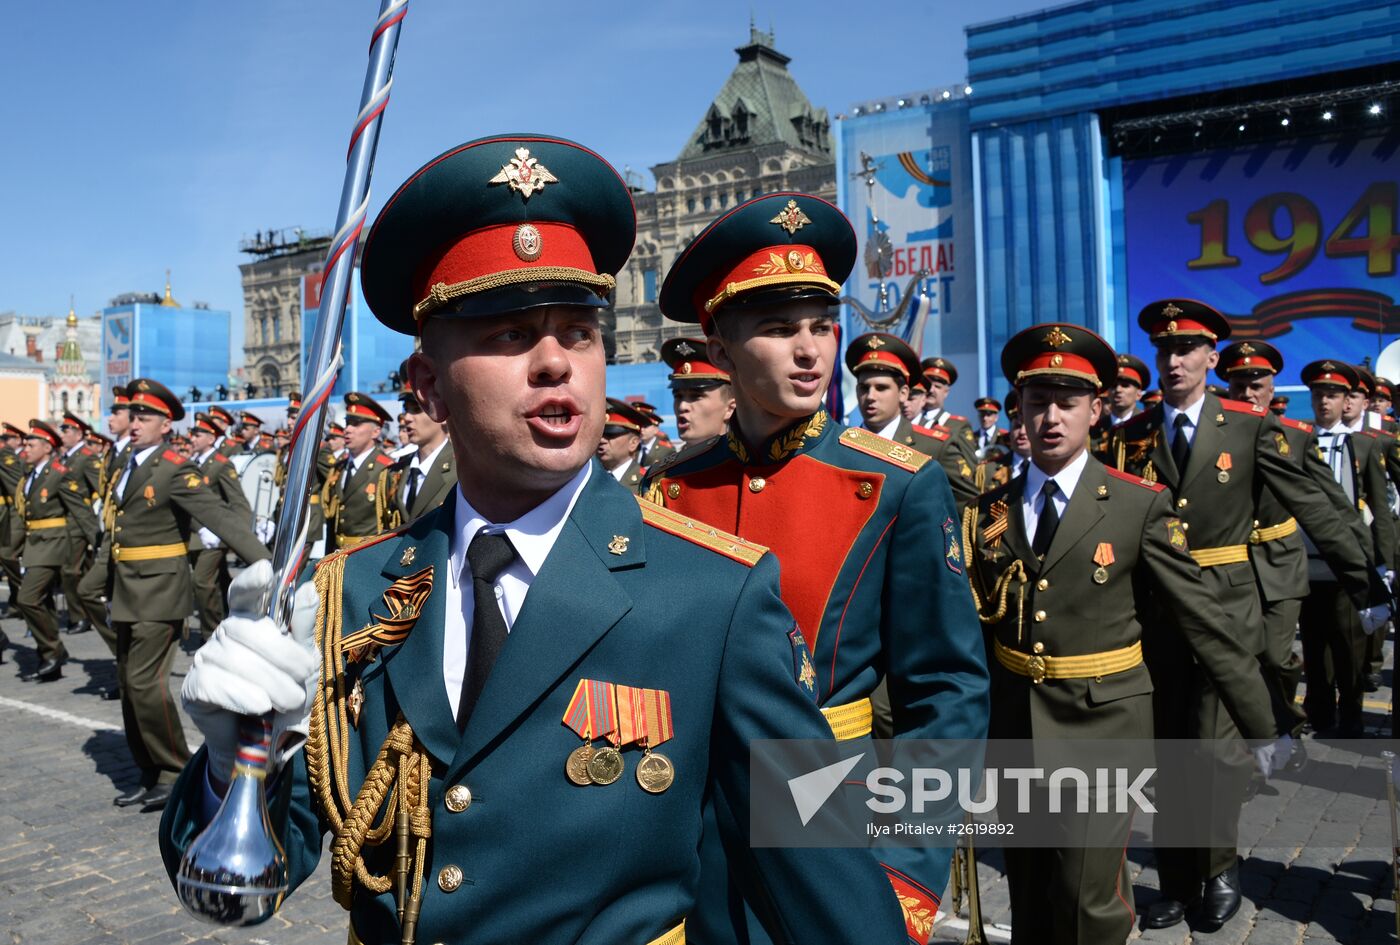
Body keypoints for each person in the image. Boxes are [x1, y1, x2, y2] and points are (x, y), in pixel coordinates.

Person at [161, 132, 909, 945]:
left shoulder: (717, 594)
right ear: (429, 387)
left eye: (579, 331)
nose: (557, 362)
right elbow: (240, 887)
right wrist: (241, 761)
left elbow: (829, 878)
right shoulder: (356, 595)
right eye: (510, 333)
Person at [644, 190, 989, 945]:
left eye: (821, 326)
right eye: (777, 329)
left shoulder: (896, 484)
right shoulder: (670, 488)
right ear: (721, 348)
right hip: (690, 834)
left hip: (835, 826)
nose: (810, 351)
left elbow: (949, 692)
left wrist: (906, 870)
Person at [966, 322, 1286, 945]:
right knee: (1031, 892)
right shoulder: (989, 511)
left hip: (1102, 729)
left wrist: (1259, 720)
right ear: (1020, 411)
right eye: (1037, 402)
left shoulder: (1138, 503)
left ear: (1095, 408)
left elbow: (1204, 619)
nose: (1051, 418)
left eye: (1067, 402)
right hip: (1016, 728)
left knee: (1089, 902)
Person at [1109, 300, 1390, 931]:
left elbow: (1315, 507)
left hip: (1228, 607)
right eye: (1164, 351)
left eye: (1186, 351)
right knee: (1171, 748)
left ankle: (1219, 868)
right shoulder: (1132, 435)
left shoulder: (1247, 427)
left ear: (1212, 359)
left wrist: (1367, 585)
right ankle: (1179, 879)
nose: (1173, 361)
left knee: (1214, 751)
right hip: (1157, 616)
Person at [107, 379, 270, 812]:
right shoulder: (128, 460)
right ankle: (150, 770)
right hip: (127, 586)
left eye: (146, 418)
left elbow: (220, 517)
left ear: (165, 425)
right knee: (128, 682)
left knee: (145, 683)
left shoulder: (174, 467)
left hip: (160, 587)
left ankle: (175, 767)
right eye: (133, 415)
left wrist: (265, 563)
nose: (136, 423)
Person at [1217, 340, 1362, 760]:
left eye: (1256, 383)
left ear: (1271, 385)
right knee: (1237, 659)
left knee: (1277, 658)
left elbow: (1331, 503)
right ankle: (1253, 743)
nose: (1247, 392)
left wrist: (1367, 565)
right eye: (1238, 383)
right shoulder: (1214, 435)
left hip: (1279, 560)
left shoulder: (1294, 438)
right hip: (1232, 563)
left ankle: (1286, 726)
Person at [1299, 360, 1393, 736]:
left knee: (1349, 644)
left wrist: (1383, 561)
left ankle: (1352, 715)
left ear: (1346, 400)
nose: (1325, 402)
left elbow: (1381, 509)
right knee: (1314, 647)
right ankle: (1320, 714)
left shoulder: (1365, 444)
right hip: (1305, 561)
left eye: (1333, 395)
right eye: (1319, 394)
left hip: (1349, 560)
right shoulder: (1295, 439)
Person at [846, 330, 978, 509]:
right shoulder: (842, 445)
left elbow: (969, 504)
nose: (870, 396)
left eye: (881, 388)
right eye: (864, 388)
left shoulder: (935, 448)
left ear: (903, 394)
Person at [13, 419, 98, 681]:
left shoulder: (59, 472)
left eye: (32, 443)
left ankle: (53, 650)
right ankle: (49, 658)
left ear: (48, 447)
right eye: (25, 443)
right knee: (43, 601)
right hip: (34, 543)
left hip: (53, 543)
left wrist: (98, 543)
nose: (26, 448)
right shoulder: (31, 474)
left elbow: (80, 511)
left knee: (27, 598)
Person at [185, 412, 254, 641]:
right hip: (196, 536)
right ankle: (233, 622)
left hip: (214, 537)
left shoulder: (221, 464)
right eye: (193, 434)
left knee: (202, 582)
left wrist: (239, 538)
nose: (192, 438)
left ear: (211, 438)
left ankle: (212, 634)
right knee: (220, 581)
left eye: (198, 434)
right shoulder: (193, 463)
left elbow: (238, 502)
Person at [321, 392, 396, 550]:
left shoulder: (386, 469)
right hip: (336, 554)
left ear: (375, 432)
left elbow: (392, 522)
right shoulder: (339, 467)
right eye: (347, 422)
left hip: (368, 555)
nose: (347, 429)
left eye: (356, 423)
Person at [384, 366, 455, 526]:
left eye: (416, 408)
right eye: (406, 409)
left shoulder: (461, 472)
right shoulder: (396, 472)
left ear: (442, 413)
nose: (407, 418)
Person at [56, 411, 106, 637]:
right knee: (79, 570)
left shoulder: (87, 457)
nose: (62, 434)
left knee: (70, 571)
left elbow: (102, 489)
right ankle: (89, 612)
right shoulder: (65, 458)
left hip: (79, 521)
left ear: (78, 433)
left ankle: (81, 616)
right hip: (65, 521)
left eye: (66, 430)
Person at [661, 336, 735, 448]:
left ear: (730, 408)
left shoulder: (749, 463)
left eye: (696, 396)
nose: (682, 406)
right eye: (678, 396)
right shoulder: (667, 465)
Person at [597, 397, 647, 494]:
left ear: (633, 443)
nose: (602, 440)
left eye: (611, 435)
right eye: (600, 434)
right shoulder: (588, 480)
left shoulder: (646, 483)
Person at [633, 400, 676, 468]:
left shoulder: (666, 450)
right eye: (640, 426)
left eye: (646, 426)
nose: (642, 429)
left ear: (655, 429)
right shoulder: (633, 448)